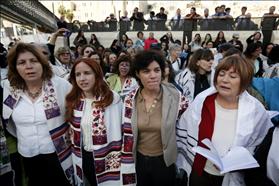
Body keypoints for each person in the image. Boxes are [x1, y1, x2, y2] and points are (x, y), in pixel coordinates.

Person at [176, 55, 273, 186]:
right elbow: (186, 129)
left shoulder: (255, 110)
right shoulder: (203, 101)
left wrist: (235, 161)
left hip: (232, 177)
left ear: (244, 82)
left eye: (233, 77)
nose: (224, 80)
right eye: (221, 74)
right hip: (200, 172)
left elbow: (260, 145)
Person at [2, 42, 73, 186]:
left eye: (34, 61)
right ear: (15, 67)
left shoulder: (61, 85)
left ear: (43, 63)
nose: (28, 66)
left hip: (58, 156)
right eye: (21, 62)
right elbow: (8, 122)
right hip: (27, 156)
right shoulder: (10, 89)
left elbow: (76, 114)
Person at [122, 50, 188, 186]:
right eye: (146, 71)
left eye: (157, 70)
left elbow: (186, 130)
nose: (153, 76)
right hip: (138, 160)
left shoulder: (176, 97)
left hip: (165, 161)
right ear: (137, 74)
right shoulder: (129, 99)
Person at [66, 58, 136, 186]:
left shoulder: (112, 99)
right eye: (78, 74)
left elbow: (123, 131)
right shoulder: (74, 100)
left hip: (108, 157)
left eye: (87, 73)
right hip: (84, 157)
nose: (82, 78)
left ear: (97, 75)